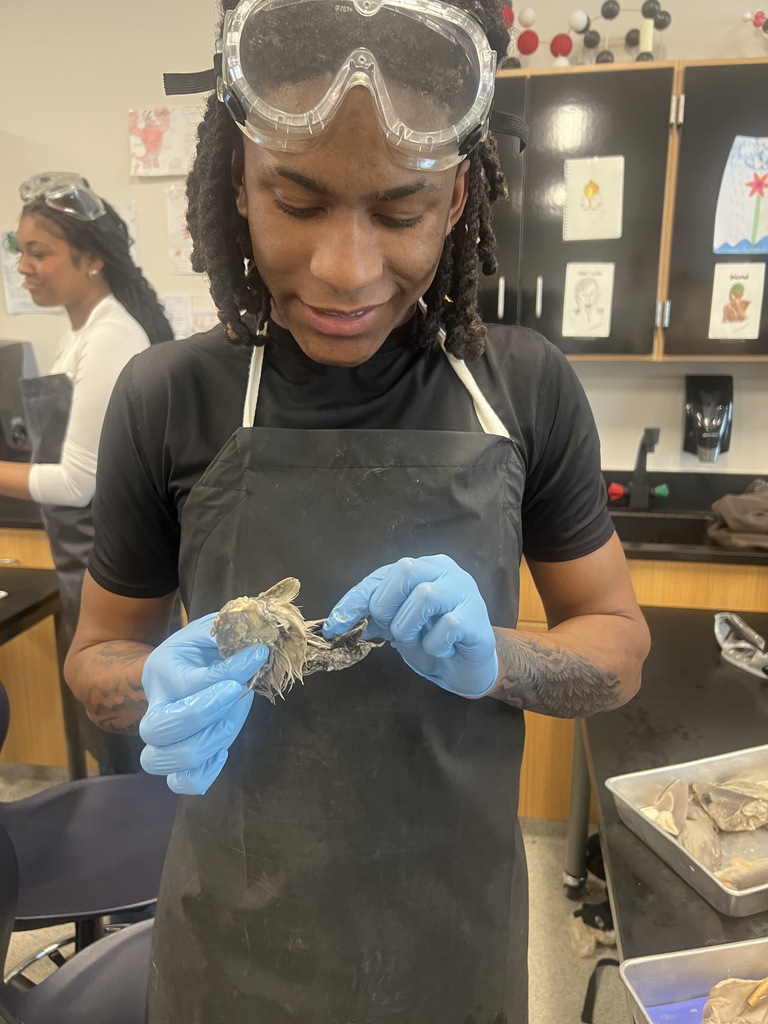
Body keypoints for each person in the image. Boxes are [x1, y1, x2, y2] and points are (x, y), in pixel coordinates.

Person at [65, 0, 650, 1019]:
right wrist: (150, 684)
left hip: (452, 947)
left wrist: (496, 659)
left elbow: (620, 647)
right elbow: (95, 660)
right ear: (237, 181)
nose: (346, 270)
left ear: (456, 195)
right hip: (231, 953)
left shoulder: (523, 390)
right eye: (296, 202)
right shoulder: (167, 398)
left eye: (399, 210)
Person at [7, 172, 173, 773]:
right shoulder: (79, 334)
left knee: (124, 738)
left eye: (39, 252)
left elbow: (78, 484)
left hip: (102, 566)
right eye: (20, 250)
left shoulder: (110, 337)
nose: (23, 266)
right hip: (77, 558)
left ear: (92, 258)